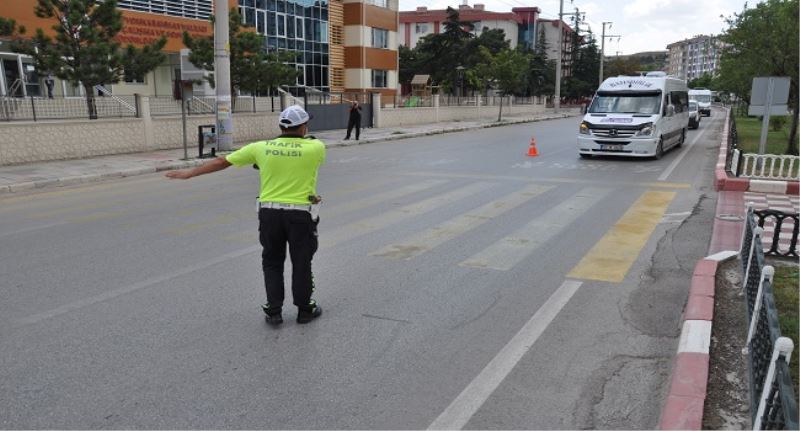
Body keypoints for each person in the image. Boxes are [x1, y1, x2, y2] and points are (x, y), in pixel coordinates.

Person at [165, 105, 325, 325]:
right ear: (304, 127)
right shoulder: (316, 147)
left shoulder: (260, 147)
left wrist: (190, 173)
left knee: (271, 261)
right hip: (300, 215)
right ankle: (305, 310)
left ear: (280, 126)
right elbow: (300, 158)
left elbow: (223, 161)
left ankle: (274, 311)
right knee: (301, 261)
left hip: (269, 214)